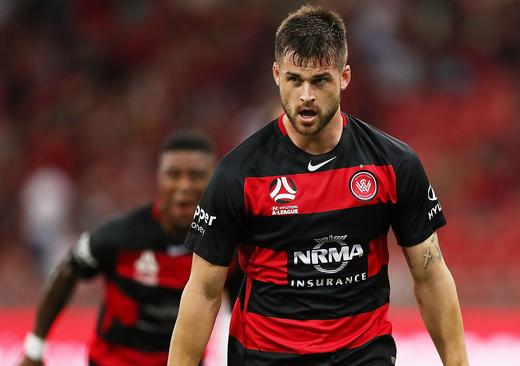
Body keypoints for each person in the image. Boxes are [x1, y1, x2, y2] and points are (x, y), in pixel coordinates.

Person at [169, 5, 469, 366]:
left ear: (344, 77)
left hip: (362, 355)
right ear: (277, 75)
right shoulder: (238, 174)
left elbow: (431, 276)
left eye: (320, 80)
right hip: (266, 358)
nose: (306, 95)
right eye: (295, 80)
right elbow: (202, 291)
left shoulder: (393, 164)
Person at [19, 131, 217, 366]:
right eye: (173, 175)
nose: (184, 185)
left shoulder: (223, 243)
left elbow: (241, 301)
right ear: (158, 179)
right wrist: (35, 347)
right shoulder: (121, 236)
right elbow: (69, 269)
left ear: (214, 180)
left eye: (196, 176)